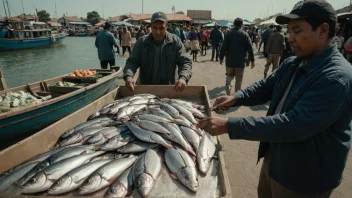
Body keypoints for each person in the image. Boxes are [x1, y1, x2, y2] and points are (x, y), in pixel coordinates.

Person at [199, 1, 352, 197]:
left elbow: (294, 125)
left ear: (323, 31)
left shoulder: (336, 79)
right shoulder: (293, 62)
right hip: (277, 159)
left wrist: (229, 125)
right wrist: (237, 97)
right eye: (289, 31)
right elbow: (266, 86)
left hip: (304, 179)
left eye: (297, 31)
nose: (290, 38)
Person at [123, 12, 192, 92]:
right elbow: (132, 62)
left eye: (161, 28)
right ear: (151, 27)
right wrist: (128, 76)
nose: (158, 32)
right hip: (145, 90)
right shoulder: (141, 42)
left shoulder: (175, 42)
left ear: (166, 26)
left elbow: (184, 62)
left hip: (169, 89)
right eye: (155, 28)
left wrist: (183, 78)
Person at [219, 18, 255, 95]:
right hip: (240, 61)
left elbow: (224, 47)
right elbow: (250, 48)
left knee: (229, 75)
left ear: (234, 24)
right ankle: (236, 96)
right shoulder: (245, 34)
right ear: (242, 25)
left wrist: (221, 58)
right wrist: (252, 60)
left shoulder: (229, 34)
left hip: (229, 61)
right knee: (239, 79)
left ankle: (228, 84)